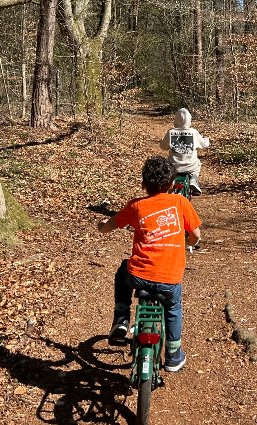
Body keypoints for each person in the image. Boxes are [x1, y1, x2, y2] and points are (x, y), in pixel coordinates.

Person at [98, 156, 201, 373]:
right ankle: (173, 356)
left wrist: (102, 228)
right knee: (173, 308)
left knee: (122, 272)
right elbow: (195, 235)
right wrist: (187, 244)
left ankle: (122, 318)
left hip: (138, 276)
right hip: (169, 279)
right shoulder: (181, 202)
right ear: (172, 185)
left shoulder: (136, 206)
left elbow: (112, 224)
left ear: (143, 184)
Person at [160, 108, 210, 196]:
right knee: (198, 164)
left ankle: (171, 184)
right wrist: (207, 140)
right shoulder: (194, 132)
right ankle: (193, 179)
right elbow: (204, 145)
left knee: (170, 171)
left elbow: (163, 147)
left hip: (174, 166)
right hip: (190, 165)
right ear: (189, 120)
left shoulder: (171, 132)